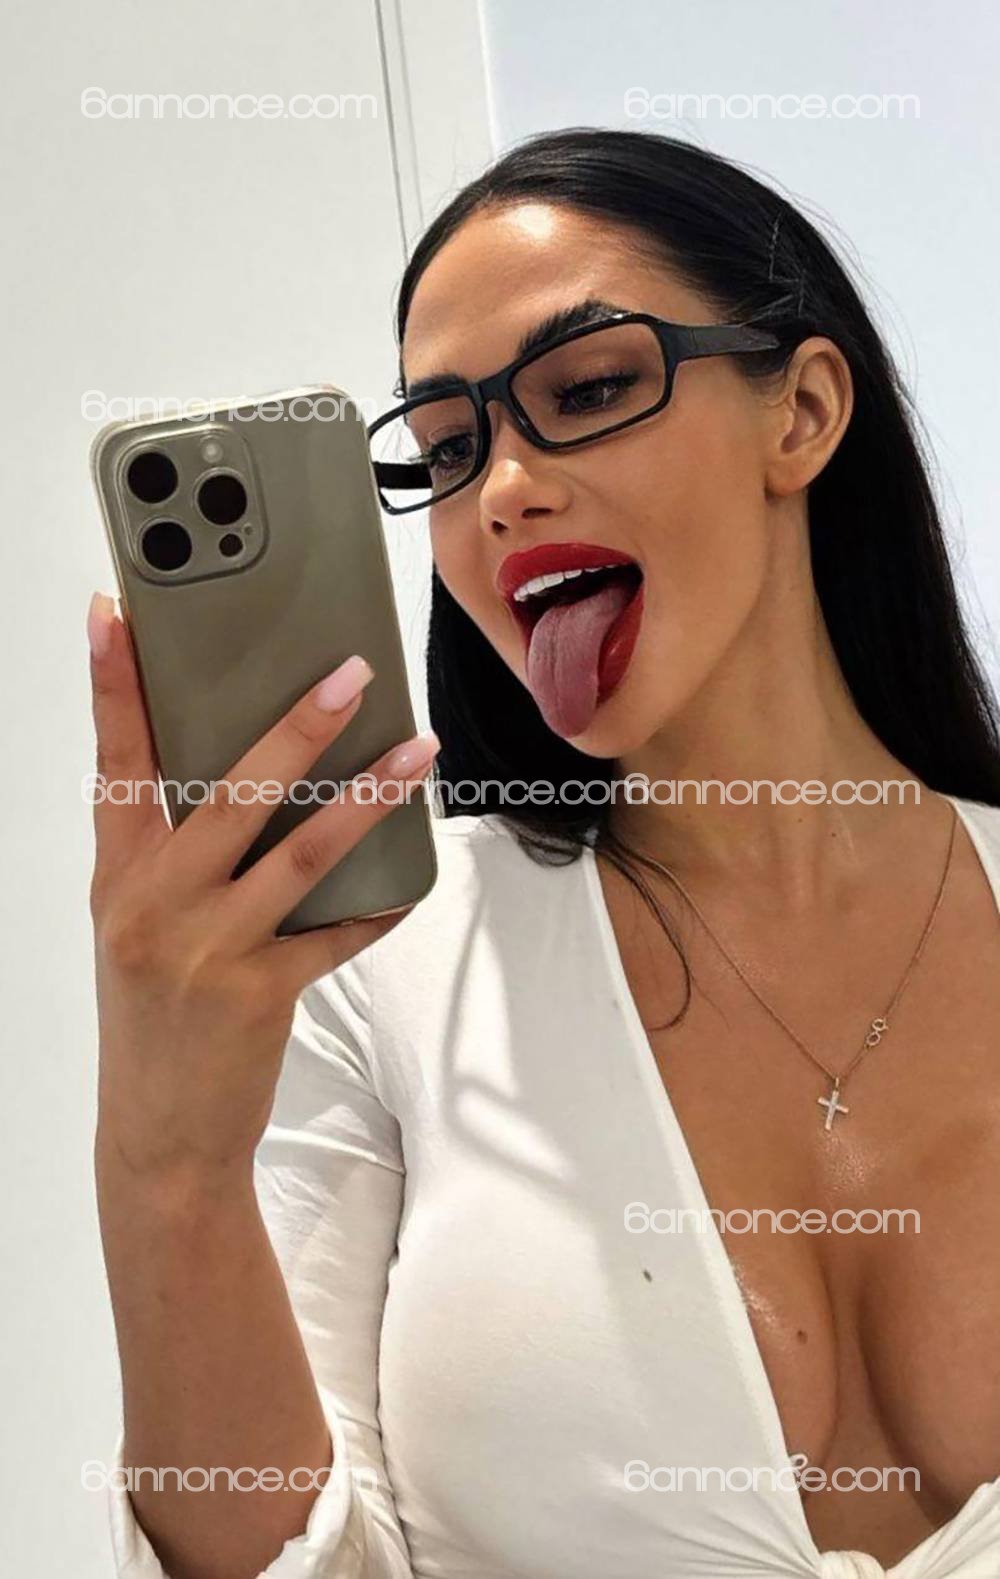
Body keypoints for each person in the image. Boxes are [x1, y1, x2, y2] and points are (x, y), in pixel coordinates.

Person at [90, 129, 1000, 1579]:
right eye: (448, 449)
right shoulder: (382, 965)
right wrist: (168, 1162)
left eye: (587, 390)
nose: (502, 488)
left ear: (804, 411)